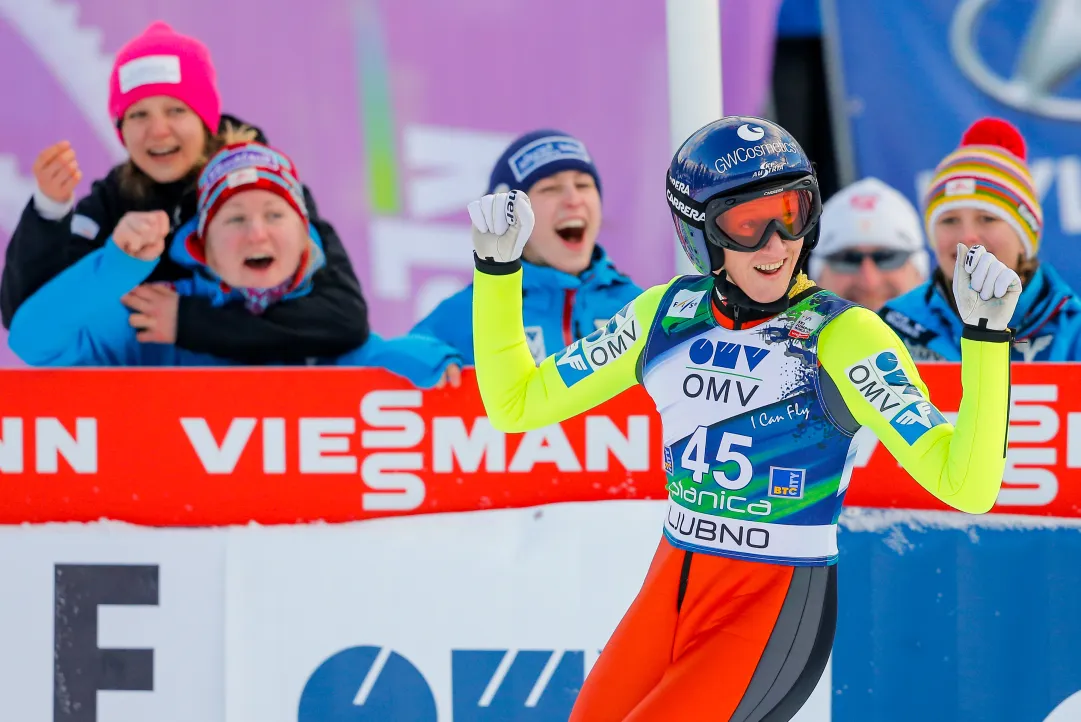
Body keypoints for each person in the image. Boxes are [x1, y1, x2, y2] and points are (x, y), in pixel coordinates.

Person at [469, 117, 1016, 720]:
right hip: (671, 586)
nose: (777, 245)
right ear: (700, 232)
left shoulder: (845, 335)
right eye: (748, 225)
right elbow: (516, 404)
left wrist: (986, 339)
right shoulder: (666, 315)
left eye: (793, 213)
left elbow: (967, 486)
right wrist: (497, 274)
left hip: (771, 605)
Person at [1, 20, 368, 364]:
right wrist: (50, 213)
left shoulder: (268, 188)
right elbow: (28, 320)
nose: (158, 131)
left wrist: (190, 322)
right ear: (121, 129)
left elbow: (342, 318)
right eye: (138, 115)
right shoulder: (113, 200)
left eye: (176, 110)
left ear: (205, 119)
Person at [7, 135, 461, 388]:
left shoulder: (323, 327)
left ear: (305, 237)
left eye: (275, 215)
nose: (256, 233)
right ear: (203, 245)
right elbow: (33, 342)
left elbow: (381, 355)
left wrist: (436, 363)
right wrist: (117, 267)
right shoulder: (151, 312)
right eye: (235, 218)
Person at [411, 130, 641, 365]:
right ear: (510, 215)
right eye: (549, 188)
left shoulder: (637, 306)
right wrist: (426, 361)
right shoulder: (470, 315)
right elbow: (391, 367)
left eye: (583, 185)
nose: (574, 199)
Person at [881, 117, 1081, 361]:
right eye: (949, 220)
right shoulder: (893, 327)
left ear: (1024, 239)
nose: (967, 237)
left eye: (987, 218)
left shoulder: (1073, 332)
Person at [810, 177, 928, 311]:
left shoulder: (956, 331)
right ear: (817, 277)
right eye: (848, 260)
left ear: (919, 273)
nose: (870, 282)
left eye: (887, 258)